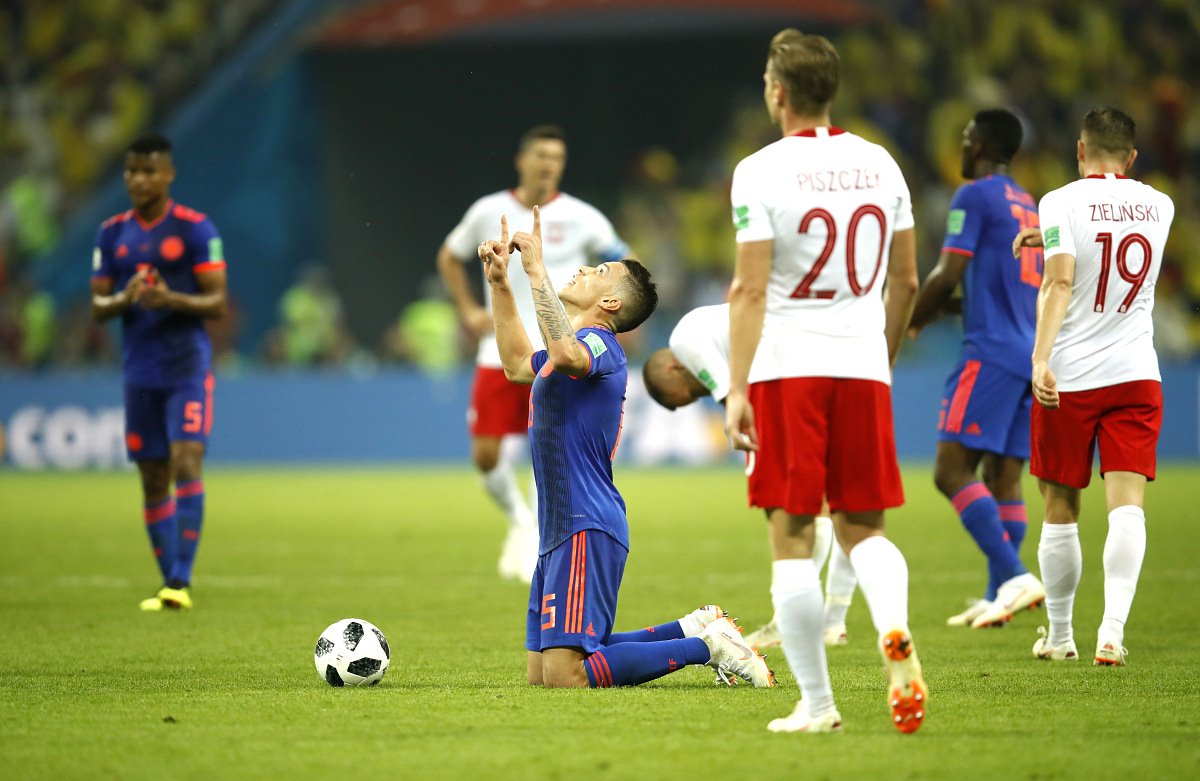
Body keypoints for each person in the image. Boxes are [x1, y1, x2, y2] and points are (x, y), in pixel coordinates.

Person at [724, 29, 927, 734]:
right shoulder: (882, 163)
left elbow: (750, 290)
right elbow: (907, 280)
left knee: (791, 534)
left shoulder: (759, 171)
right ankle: (893, 627)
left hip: (788, 368)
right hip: (862, 364)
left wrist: (738, 387)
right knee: (863, 526)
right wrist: (882, 356)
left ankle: (817, 705)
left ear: (778, 92)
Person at [478, 208, 773, 689]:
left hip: (585, 522)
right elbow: (515, 365)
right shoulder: (572, 348)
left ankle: (709, 648)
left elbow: (567, 355)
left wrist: (536, 271)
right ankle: (692, 628)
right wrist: (499, 284)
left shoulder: (601, 345)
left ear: (610, 302)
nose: (584, 268)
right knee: (543, 674)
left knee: (567, 675)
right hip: (559, 527)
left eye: (599, 270)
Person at [437, 125, 633, 583]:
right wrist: (468, 308)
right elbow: (449, 255)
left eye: (557, 157)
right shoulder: (488, 210)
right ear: (521, 161)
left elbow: (628, 263)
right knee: (486, 454)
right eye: (541, 155)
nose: (549, 164)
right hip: (501, 346)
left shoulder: (583, 217)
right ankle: (520, 520)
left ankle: (543, 536)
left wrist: (621, 310)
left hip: (561, 346)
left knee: (547, 445)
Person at [1014, 107, 1174, 666]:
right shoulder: (1161, 205)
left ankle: (1061, 637)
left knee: (1060, 505)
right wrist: (1054, 235)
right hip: (1136, 373)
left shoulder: (1059, 201)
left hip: (1071, 376)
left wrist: (1040, 359)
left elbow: (1061, 281)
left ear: (1080, 150)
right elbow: (1112, 237)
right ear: (1132, 157)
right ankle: (1112, 632)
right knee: (1127, 508)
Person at [642, 303, 859, 648]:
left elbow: (731, 398)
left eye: (690, 394)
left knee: (795, 506)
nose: (698, 396)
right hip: (834, 358)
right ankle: (833, 621)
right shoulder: (707, 326)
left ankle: (789, 622)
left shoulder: (685, 340)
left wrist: (746, 435)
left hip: (795, 376)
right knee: (844, 502)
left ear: (674, 367)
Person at [907, 109, 1046, 629]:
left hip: (990, 351)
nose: (961, 147)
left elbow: (948, 274)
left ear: (981, 145)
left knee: (950, 470)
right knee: (1003, 476)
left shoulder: (974, 195)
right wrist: (938, 311)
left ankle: (1014, 575)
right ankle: (998, 596)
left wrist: (905, 322)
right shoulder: (1027, 202)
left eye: (966, 138)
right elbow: (992, 287)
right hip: (1028, 351)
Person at [90, 134, 228, 611]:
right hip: (140, 372)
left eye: (149, 171)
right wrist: (124, 299)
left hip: (186, 367)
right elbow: (98, 307)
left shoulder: (194, 229)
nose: (138, 180)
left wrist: (170, 299)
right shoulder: (111, 234)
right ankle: (170, 580)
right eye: (131, 171)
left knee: (186, 460)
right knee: (152, 477)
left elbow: (217, 300)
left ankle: (179, 580)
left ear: (169, 175)